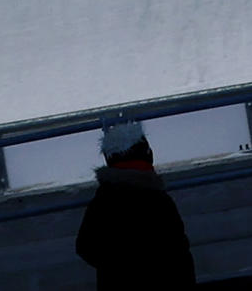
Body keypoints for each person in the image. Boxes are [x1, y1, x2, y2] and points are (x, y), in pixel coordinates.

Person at [73, 121, 194, 291]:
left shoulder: (104, 200)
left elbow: (85, 247)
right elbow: (179, 253)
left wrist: (118, 268)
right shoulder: (158, 200)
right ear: (147, 155)